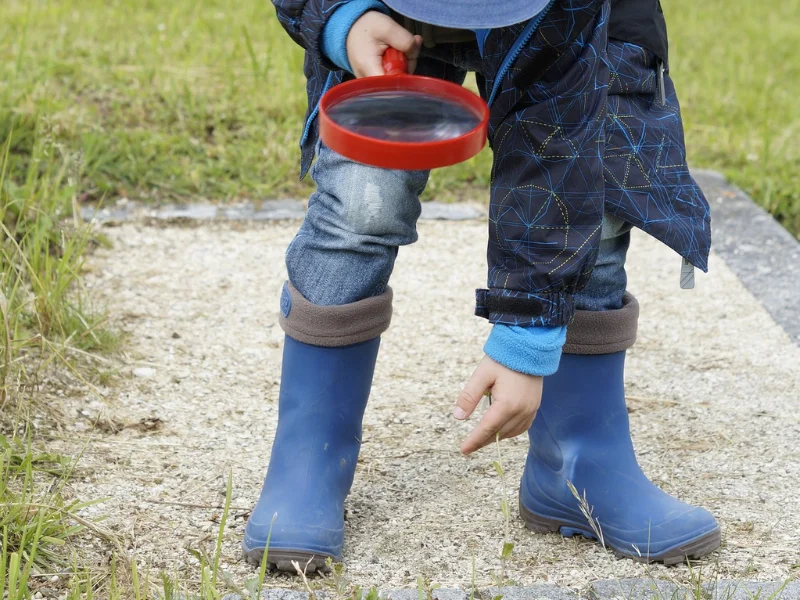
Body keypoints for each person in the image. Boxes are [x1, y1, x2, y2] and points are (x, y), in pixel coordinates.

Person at [243, 0, 720, 572]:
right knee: (363, 202)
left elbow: (556, 152)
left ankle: (578, 464)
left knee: (598, 194)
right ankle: (308, 458)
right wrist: (341, 19)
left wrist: (528, 335)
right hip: (385, 12)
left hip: (581, 19)